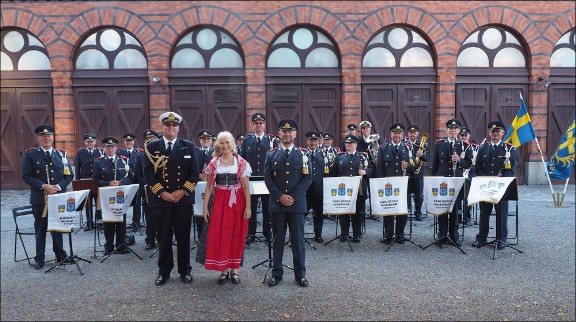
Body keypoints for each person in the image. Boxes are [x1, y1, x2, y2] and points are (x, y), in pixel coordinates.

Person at [142, 112, 200, 286]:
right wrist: (162, 193)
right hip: (161, 200)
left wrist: (182, 191)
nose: (171, 128)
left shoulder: (188, 146)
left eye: (174, 126)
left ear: (178, 128)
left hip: (183, 199)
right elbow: (148, 173)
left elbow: (194, 172)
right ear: (163, 127)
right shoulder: (152, 147)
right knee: (164, 236)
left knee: (183, 236)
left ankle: (185, 270)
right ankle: (164, 271)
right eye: (168, 125)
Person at [263, 118, 312, 287]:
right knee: (278, 240)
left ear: (295, 134)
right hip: (277, 204)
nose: (287, 134)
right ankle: (277, 274)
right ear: (279, 133)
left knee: (298, 241)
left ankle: (300, 275)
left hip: (297, 204)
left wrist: (293, 197)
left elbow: (308, 178)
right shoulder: (270, 155)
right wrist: (280, 196)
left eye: (290, 131)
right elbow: (267, 178)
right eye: (284, 131)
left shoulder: (304, 154)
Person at [202, 131, 252, 285]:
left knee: (237, 234)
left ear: (233, 144)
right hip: (219, 201)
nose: (224, 146)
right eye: (221, 143)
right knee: (221, 234)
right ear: (218, 145)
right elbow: (209, 187)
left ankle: (234, 270)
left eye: (227, 142)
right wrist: (205, 208)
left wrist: (248, 207)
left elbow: (245, 187)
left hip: (237, 200)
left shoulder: (241, 162)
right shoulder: (213, 163)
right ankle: (223, 269)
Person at [22, 124, 74, 270]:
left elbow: (69, 175)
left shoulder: (61, 154)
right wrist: (43, 186)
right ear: (38, 138)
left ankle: (60, 255)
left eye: (49, 135)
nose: (47, 138)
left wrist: (57, 187)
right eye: (43, 136)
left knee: (57, 227)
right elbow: (26, 176)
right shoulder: (31, 155)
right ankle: (39, 258)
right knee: (40, 228)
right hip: (40, 198)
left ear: (53, 137)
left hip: (58, 197)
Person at [472, 121, 516, 250]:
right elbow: (477, 167)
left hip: (501, 188)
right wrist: (486, 179)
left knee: (501, 213)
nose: (495, 133)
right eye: (492, 131)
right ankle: (481, 238)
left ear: (502, 133)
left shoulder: (509, 148)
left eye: (498, 131)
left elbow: (510, 170)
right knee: (484, 213)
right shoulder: (482, 148)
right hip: (485, 187)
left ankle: (501, 239)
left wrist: (499, 182)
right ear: (489, 133)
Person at [430, 119, 473, 247]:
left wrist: (459, 160)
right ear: (447, 130)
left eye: (455, 129)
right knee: (442, 209)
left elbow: (468, 164)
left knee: (455, 211)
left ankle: (454, 236)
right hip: (442, 182)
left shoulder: (465, 146)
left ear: (458, 131)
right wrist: (434, 181)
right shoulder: (439, 144)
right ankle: (442, 235)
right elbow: (435, 164)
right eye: (450, 128)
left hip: (456, 182)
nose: (452, 130)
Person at [93, 136, 134, 256]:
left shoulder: (123, 160)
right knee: (108, 222)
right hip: (107, 196)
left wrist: (121, 182)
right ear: (104, 148)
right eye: (108, 147)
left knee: (121, 220)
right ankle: (109, 247)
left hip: (121, 195)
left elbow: (131, 177)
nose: (110, 149)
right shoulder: (99, 161)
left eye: (112, 146)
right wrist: (108, 183)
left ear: (116, 147)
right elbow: (95, 179)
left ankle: (121, 246)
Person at [374, 123, 414, 244]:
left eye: (399, 133)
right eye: (394, 133)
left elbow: (415, 167)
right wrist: (380, 184)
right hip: (388, 186)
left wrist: (408, 165)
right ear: (391, 134)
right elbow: (380, 168)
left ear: (402, 134)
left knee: (402, 211)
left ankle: (400, 234)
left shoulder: (408, 148)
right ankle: (389, 235)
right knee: (388, 210)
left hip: (403, 185)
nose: (397, 135)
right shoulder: (383, 148)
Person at [241, 113, 277, 244]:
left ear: (264, 124)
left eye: (261, 123)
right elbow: (242, 160)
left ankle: (268, 233)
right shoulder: (247, 141)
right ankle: (250, 233)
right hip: (251, 180)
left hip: (267, 179)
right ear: (253, 125)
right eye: (256, 123)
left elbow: (275, 160)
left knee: (269, 207)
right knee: (251, 207)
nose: (258, 125)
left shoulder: (272, 141)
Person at [330, 134, 373, 243]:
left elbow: (373, 169)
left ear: (356, 144)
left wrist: (366, 172)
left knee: (358, 213)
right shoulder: (339, 156)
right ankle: (344, 233)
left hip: (359, 190)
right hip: (344, 191)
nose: (348, 145)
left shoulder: (363, 156)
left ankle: (357, 234)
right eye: (347, 143)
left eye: (351, 143)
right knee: (344, 212)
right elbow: (333, 173)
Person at [134, 129, 161, 250]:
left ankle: (162, 238)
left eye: (153, 139)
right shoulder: (140, 155)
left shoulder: (162, 154)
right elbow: (138, 174)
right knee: (149, 217)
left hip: (162, 190)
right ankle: (150, 240)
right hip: (147, 190)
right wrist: (149, 183)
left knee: (162, 216)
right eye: (147, 140)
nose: (150, 141)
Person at [74, 133, 103, 231]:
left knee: (98, 201)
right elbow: (77, 167)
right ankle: (89, 223)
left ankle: (100, 221)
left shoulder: (100, 152)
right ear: (84, 142)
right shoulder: (80, 152)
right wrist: (78, 182)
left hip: (97, 181)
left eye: (92, 141)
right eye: (88, 141)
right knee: (88, 202)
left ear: (95, 142)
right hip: (85, 181)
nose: (90, 143)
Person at [116, 133, 143, 231]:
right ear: (124, 142)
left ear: (133, 142)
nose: (129, 143)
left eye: (131, 141)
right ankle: (122, 224)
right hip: (124, 183)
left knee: (137, 203)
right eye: (127, 141)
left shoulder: (139, 152)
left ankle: (136, 223)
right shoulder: (119, 153)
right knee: (122, 203)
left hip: (136, 181)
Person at [305, 131, 326, 243]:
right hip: (306, 190)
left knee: (318, 214)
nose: (313, 142)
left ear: (318, 141)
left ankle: (318, 235)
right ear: (307, 141)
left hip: (319, 189)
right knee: (302, 214)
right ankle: (298, 236)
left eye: (315, 140)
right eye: (311, 140)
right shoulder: (302, 153)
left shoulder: (323, 154)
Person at [405, 125, 429, 221]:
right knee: (406, 194)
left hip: (418, 174)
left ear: (417, 134)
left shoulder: (422, 145)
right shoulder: (405, 144)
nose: (412, 134)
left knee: (419, 195)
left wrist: (422, 155)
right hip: (407, 173)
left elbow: (427, 158)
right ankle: (405, 212)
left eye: (414, 133)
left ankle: (418, 212)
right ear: (408, 134)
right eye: (411, 133)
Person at [195, 129, 214, 240]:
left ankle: (212, 236)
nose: (206, 140)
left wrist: (209, 177)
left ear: (211, 140)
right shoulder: (195, 152)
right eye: (203, 139)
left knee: (213, 209)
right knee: (199, 210)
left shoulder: (216, 152)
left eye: (208, 138)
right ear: (200, 140)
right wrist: (199, 176)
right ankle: (200, 236)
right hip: (198, 185)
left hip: (212, 185)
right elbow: (191, 168)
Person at [459, 127, 477, 225]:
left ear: (469, 136)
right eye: (462, 135)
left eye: (465, 135)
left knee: (468, 197)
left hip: (469, 175)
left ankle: (467, 216)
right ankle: (457, 217)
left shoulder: (474, 148)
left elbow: (476, 164)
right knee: (457, 197)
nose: (463, 137)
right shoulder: (456, 146)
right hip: (458, 175)